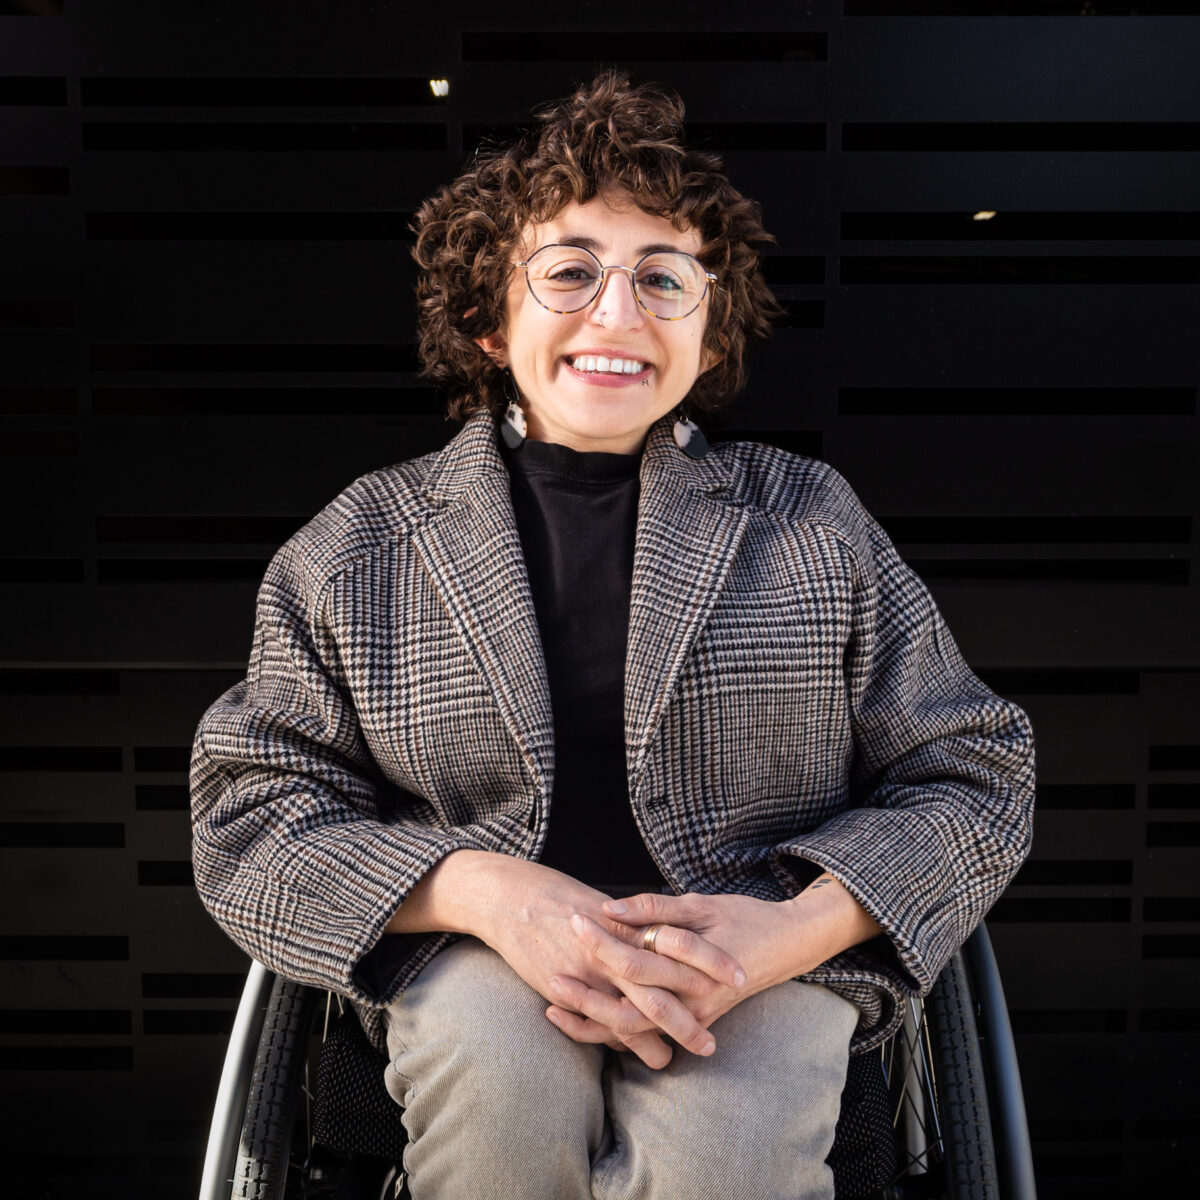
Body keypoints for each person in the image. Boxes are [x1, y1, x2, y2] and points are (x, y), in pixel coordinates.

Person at [190, 71, 1035, 1200]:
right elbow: (248, 816)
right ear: (492, 319)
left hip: (758, 955)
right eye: (572, 271)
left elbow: (975, 772)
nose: (618, 313)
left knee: (728, 1146)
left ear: (706, 328)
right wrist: (484, 892)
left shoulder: (808, 524)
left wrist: (787, 933)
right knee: (499, 1077)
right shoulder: (363, 545)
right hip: (471, 955)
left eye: (662, 279)